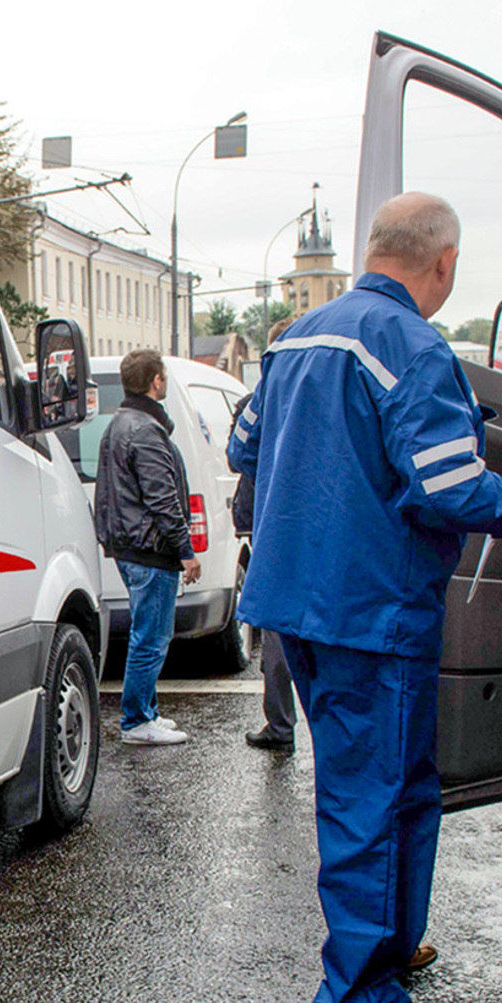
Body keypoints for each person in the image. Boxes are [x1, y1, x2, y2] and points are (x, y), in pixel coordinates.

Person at [229, 192, 502, 1003]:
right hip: (375, 608)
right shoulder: (416, 347)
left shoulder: (298, 337)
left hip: (297, 603)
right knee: (381, 793)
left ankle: (391, 941)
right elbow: (448, 488)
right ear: (442, 264)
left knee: (377, 788)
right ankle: (360, 994)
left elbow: (241, 446)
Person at [94, 349, 201, 745]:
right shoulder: (145, 430)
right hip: (150, 549)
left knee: (148, 631)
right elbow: (162, 500)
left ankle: (147, 711)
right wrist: (185, 551)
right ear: (156, 380)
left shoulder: (120, 423)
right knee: (152, 637)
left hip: (130, 546)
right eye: (164, 375)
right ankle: (137, 721)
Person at [229, 314, 297, 753]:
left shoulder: (263, 396)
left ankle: (281, 724)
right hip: (311, 525)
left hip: (269, 524)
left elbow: (238, 452)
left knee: (276, 629)